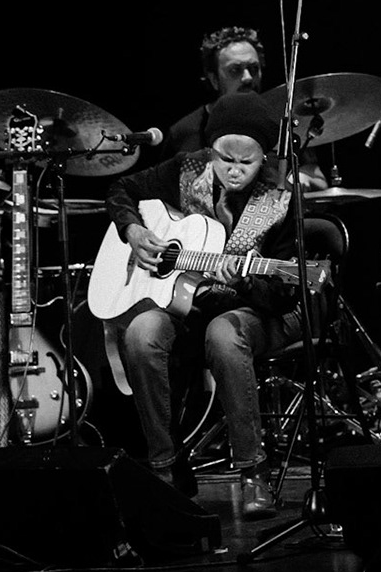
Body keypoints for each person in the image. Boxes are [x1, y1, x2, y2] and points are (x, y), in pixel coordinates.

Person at [106, 90, 313, 518]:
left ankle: (252, 471)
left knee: (223, 335)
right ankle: (165, 468)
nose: (234, 171)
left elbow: (283, 295)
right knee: (142, 334)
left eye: (247, 162)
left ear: (264, 157)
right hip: (191, 304)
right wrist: (133, 231)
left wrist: (245, 284)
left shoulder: (281, 198)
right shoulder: (187, 168)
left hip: (258, 310)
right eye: (225, 158)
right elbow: (122, 187)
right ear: (210, 149)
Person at [166, 24, 328, 190]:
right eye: (235, 70)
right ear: (214, 79)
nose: (248, 78)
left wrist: (300, 179)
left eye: (253, 69)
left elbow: (319, 181)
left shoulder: (284, 123)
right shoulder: (183, 132)